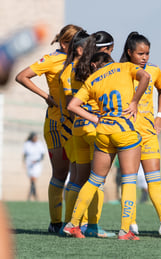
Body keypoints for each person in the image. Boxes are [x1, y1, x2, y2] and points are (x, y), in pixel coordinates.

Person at [63, 52, 150, 240]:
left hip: (103, 132)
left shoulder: (92, 79)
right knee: (129, 180)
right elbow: (146, 76)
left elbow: (73, 106)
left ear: (95, 65)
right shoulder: (125, 66)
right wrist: (134, 101)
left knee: (93, 180)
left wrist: (94, 118)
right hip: (125, 131)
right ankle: (125, 230)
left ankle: (72, 224)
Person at [15, 24, 82, 233]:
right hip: (56, 124)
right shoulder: (52, 59)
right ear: (65, 43)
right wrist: (47, 97)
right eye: (77, 43)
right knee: (61, 173)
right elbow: (21, 76)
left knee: (80, 173)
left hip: (78, 122)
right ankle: (55, 223)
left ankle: (75, 223)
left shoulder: (83, 60)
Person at [60, 30, 116, 237]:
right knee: (97, 180)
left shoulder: (70, 69)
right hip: (94, 128)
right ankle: (92, 226)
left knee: (76, 179)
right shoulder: (101, 70)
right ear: (106, 50)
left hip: (77, 128)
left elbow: (67, 104)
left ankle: (68, 223)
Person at [119, 32, 161, 236]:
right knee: (130, 179)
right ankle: (131, 222)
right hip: (128, 133)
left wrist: (159, 115)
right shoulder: (120, 71)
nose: (145, 57)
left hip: (148, 132)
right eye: (140, 53)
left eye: (147, 53)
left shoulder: (154, 70)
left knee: (154, 179)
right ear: (129, 52)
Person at [23, 132, 46, 201]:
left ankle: (31, 195)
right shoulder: (27, 144)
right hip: (29, 163)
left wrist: (37, 161)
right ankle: (34, 195)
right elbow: (24, 154)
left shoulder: (39, 144)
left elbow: (42, 155)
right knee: (32, 179)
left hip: (37, 164)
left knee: (33, 179)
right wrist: (24, 162)